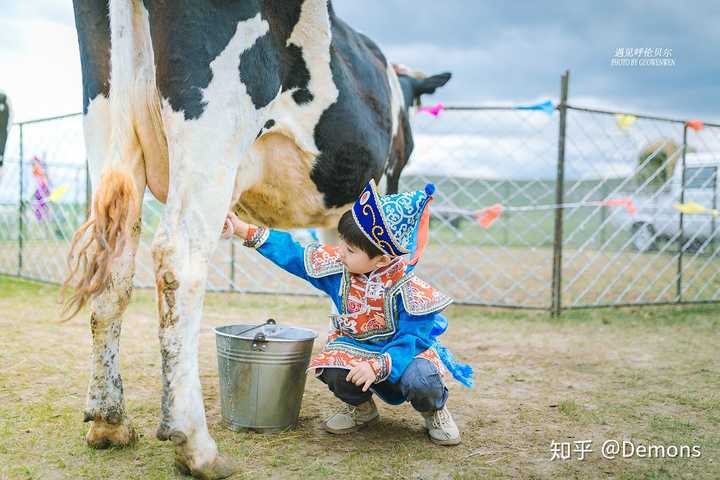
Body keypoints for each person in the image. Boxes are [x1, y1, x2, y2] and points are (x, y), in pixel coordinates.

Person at [222, 179, 473, 445]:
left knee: (422, 379)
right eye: (342, 242)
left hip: (405, 358)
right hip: (358, 350)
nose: (340, 251)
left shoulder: (412, 293)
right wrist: (241, 228)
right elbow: (294, 254)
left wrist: (376, 366)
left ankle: (433, 410)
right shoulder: (339, 269)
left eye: (350, 249)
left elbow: (411, 342)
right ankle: (362, 409)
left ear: (383, 259)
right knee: (331, 365)